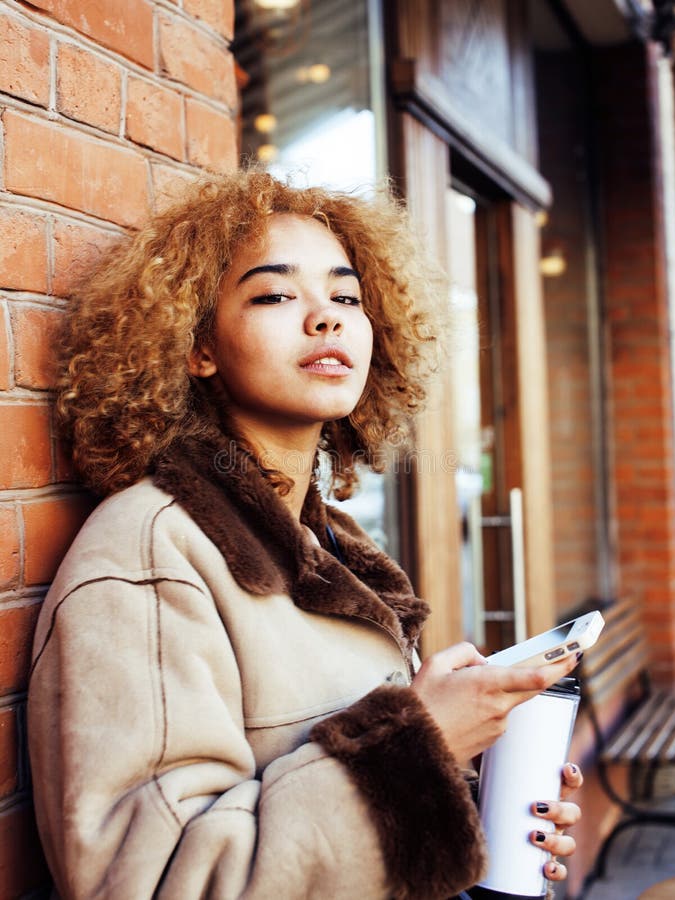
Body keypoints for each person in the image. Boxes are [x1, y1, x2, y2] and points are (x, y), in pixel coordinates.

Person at [28, 170, 582, 900]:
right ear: (198, 348)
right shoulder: (152, 552)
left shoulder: (330, 546)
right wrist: (422, 744)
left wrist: (471, 788)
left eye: (346, 297)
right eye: (275, 294)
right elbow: (153, 882)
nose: (326, 318)